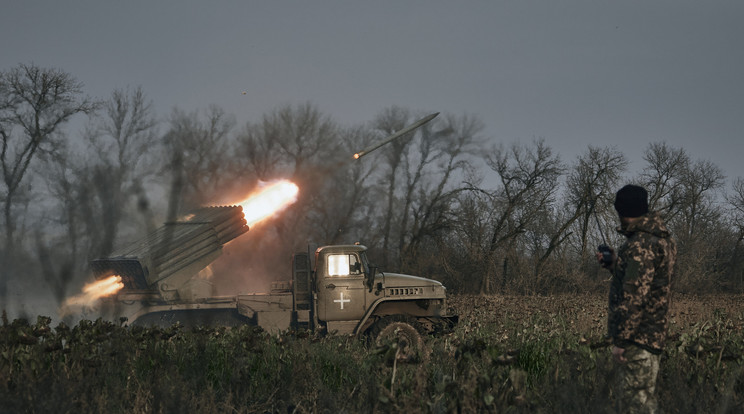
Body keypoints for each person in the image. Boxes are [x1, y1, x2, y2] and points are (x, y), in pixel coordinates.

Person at [597, 184, 676, 414]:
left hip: (637, 341)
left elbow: (634, 298)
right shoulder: (662, 240)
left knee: (635, 407)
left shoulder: (640, 245)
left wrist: (621, 342)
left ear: (622, 211)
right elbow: (646, 283)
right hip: (652, 338)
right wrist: (615, 265)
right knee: (645, 405)